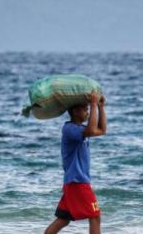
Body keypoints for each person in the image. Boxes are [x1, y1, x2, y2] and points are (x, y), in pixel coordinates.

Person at [44, 92, 107, 234]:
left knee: (63, 219)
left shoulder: (80, 130)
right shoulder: (69, 129)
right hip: (77, 182)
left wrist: (100, 106)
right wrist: (93, 103)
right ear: (74, 111)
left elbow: (102, 130)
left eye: (87, 109)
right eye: (85, 109)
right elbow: (91, 129)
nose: (87, 112)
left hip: (73, 182)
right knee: (95, 216)